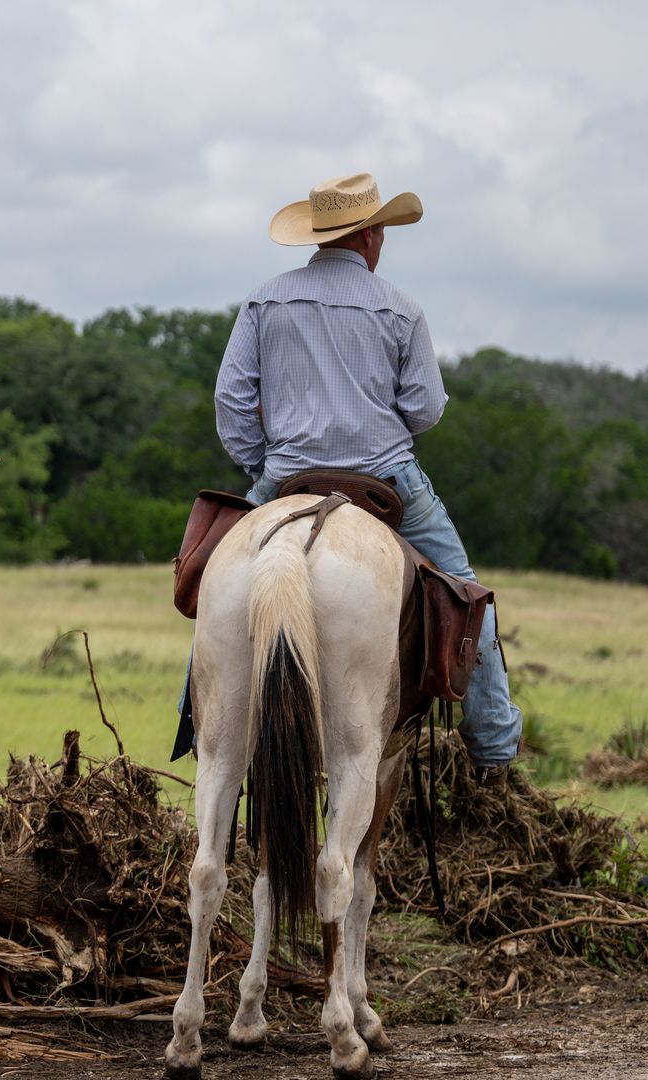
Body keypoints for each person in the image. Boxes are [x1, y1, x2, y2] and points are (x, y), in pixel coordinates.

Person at [207, 172, 522, 778]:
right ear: (372, 236)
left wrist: (262, 468)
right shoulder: (401, 308)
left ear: (318, 237)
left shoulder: (264, 300)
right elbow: (426, 408)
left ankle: (199, 720)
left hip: (286, 480)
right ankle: (494, 751)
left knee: (215, 585)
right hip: (387, 479)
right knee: (466, 598)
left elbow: (232, 402)